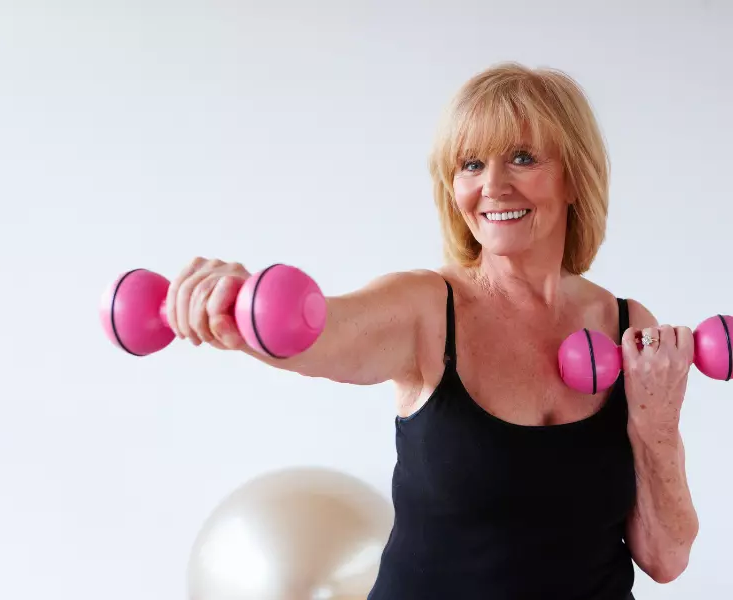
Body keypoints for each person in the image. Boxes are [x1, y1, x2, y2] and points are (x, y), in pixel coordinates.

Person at [165, 62, 699, 599]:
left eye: (522, 158)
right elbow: (318, 330)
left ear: (574, 177)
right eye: (470, 164)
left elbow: (665, 557)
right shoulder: (426, 309)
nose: (493, 186)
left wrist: (658, 421)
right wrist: (239, 305)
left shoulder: (628, 325)